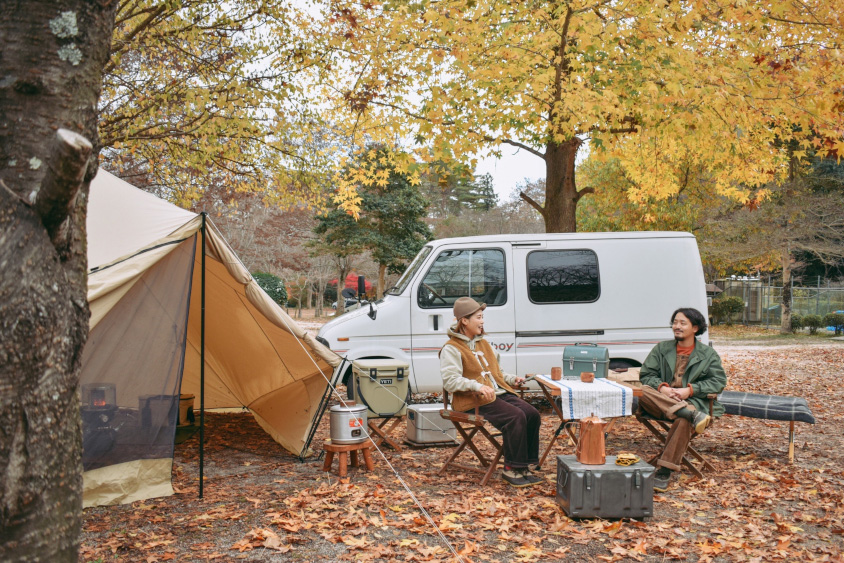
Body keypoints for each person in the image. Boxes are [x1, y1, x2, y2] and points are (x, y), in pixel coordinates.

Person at [440, 297, 543, 488]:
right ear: (464, 320)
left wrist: (512, 379)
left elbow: (497, 372)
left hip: (496, 394)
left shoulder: (484, 344)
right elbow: (450, 380)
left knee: (532, 414)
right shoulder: (451, 349)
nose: (482, 321)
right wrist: (476, 386)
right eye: (478, 317)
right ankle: (511, 469)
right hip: (472, 401)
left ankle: (524, 465)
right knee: (515, 416)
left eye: (482, 317)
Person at [638, 307, 727, 492]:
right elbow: (646, 375)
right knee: (641, 391)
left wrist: (690, 390)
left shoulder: (708, 354)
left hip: (694, 402)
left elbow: (718, 381)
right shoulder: (662, 349)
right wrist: (663, 388)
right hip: (659, 401)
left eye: (682, 323)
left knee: (683, 419)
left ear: (695, 328)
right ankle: (689, 414)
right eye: (675, 322)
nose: (676, 326)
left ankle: (664, 470)